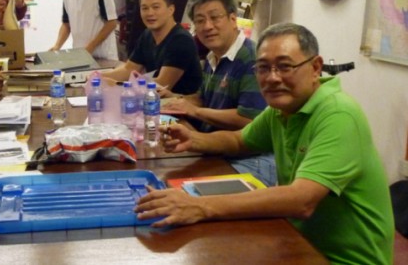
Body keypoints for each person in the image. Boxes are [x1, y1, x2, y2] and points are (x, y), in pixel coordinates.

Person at [135, 22, 394, 265]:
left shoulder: (338, 115)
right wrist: (196, 140)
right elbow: (239, 141)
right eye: (263, 67)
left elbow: (302, 200)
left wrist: (200, 206)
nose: (272, 78)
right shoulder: (282, 108)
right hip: (297, 242)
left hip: (341, 259)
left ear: (316, 68)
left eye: (284, 66)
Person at [162, 0, 275, 186]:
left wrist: (195, 111)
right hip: (216, 147)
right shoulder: (212, 56)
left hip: (249, 157)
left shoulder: (252, 58)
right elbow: (203, 98)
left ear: (233, 19)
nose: (207, 26)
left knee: (178, 186)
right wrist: (172, 99)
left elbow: (248, 119)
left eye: (215, 17)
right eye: (200, 20)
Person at [102, 0, 202, 95]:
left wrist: (116, 85)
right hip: (153, 102)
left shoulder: (181, 40)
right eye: (144, 8)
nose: (150, 13)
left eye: (156, 7)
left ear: (171, 9)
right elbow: (128, 69)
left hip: (178, 106)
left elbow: (161, 84)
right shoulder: (147, 35)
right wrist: (98, 77)